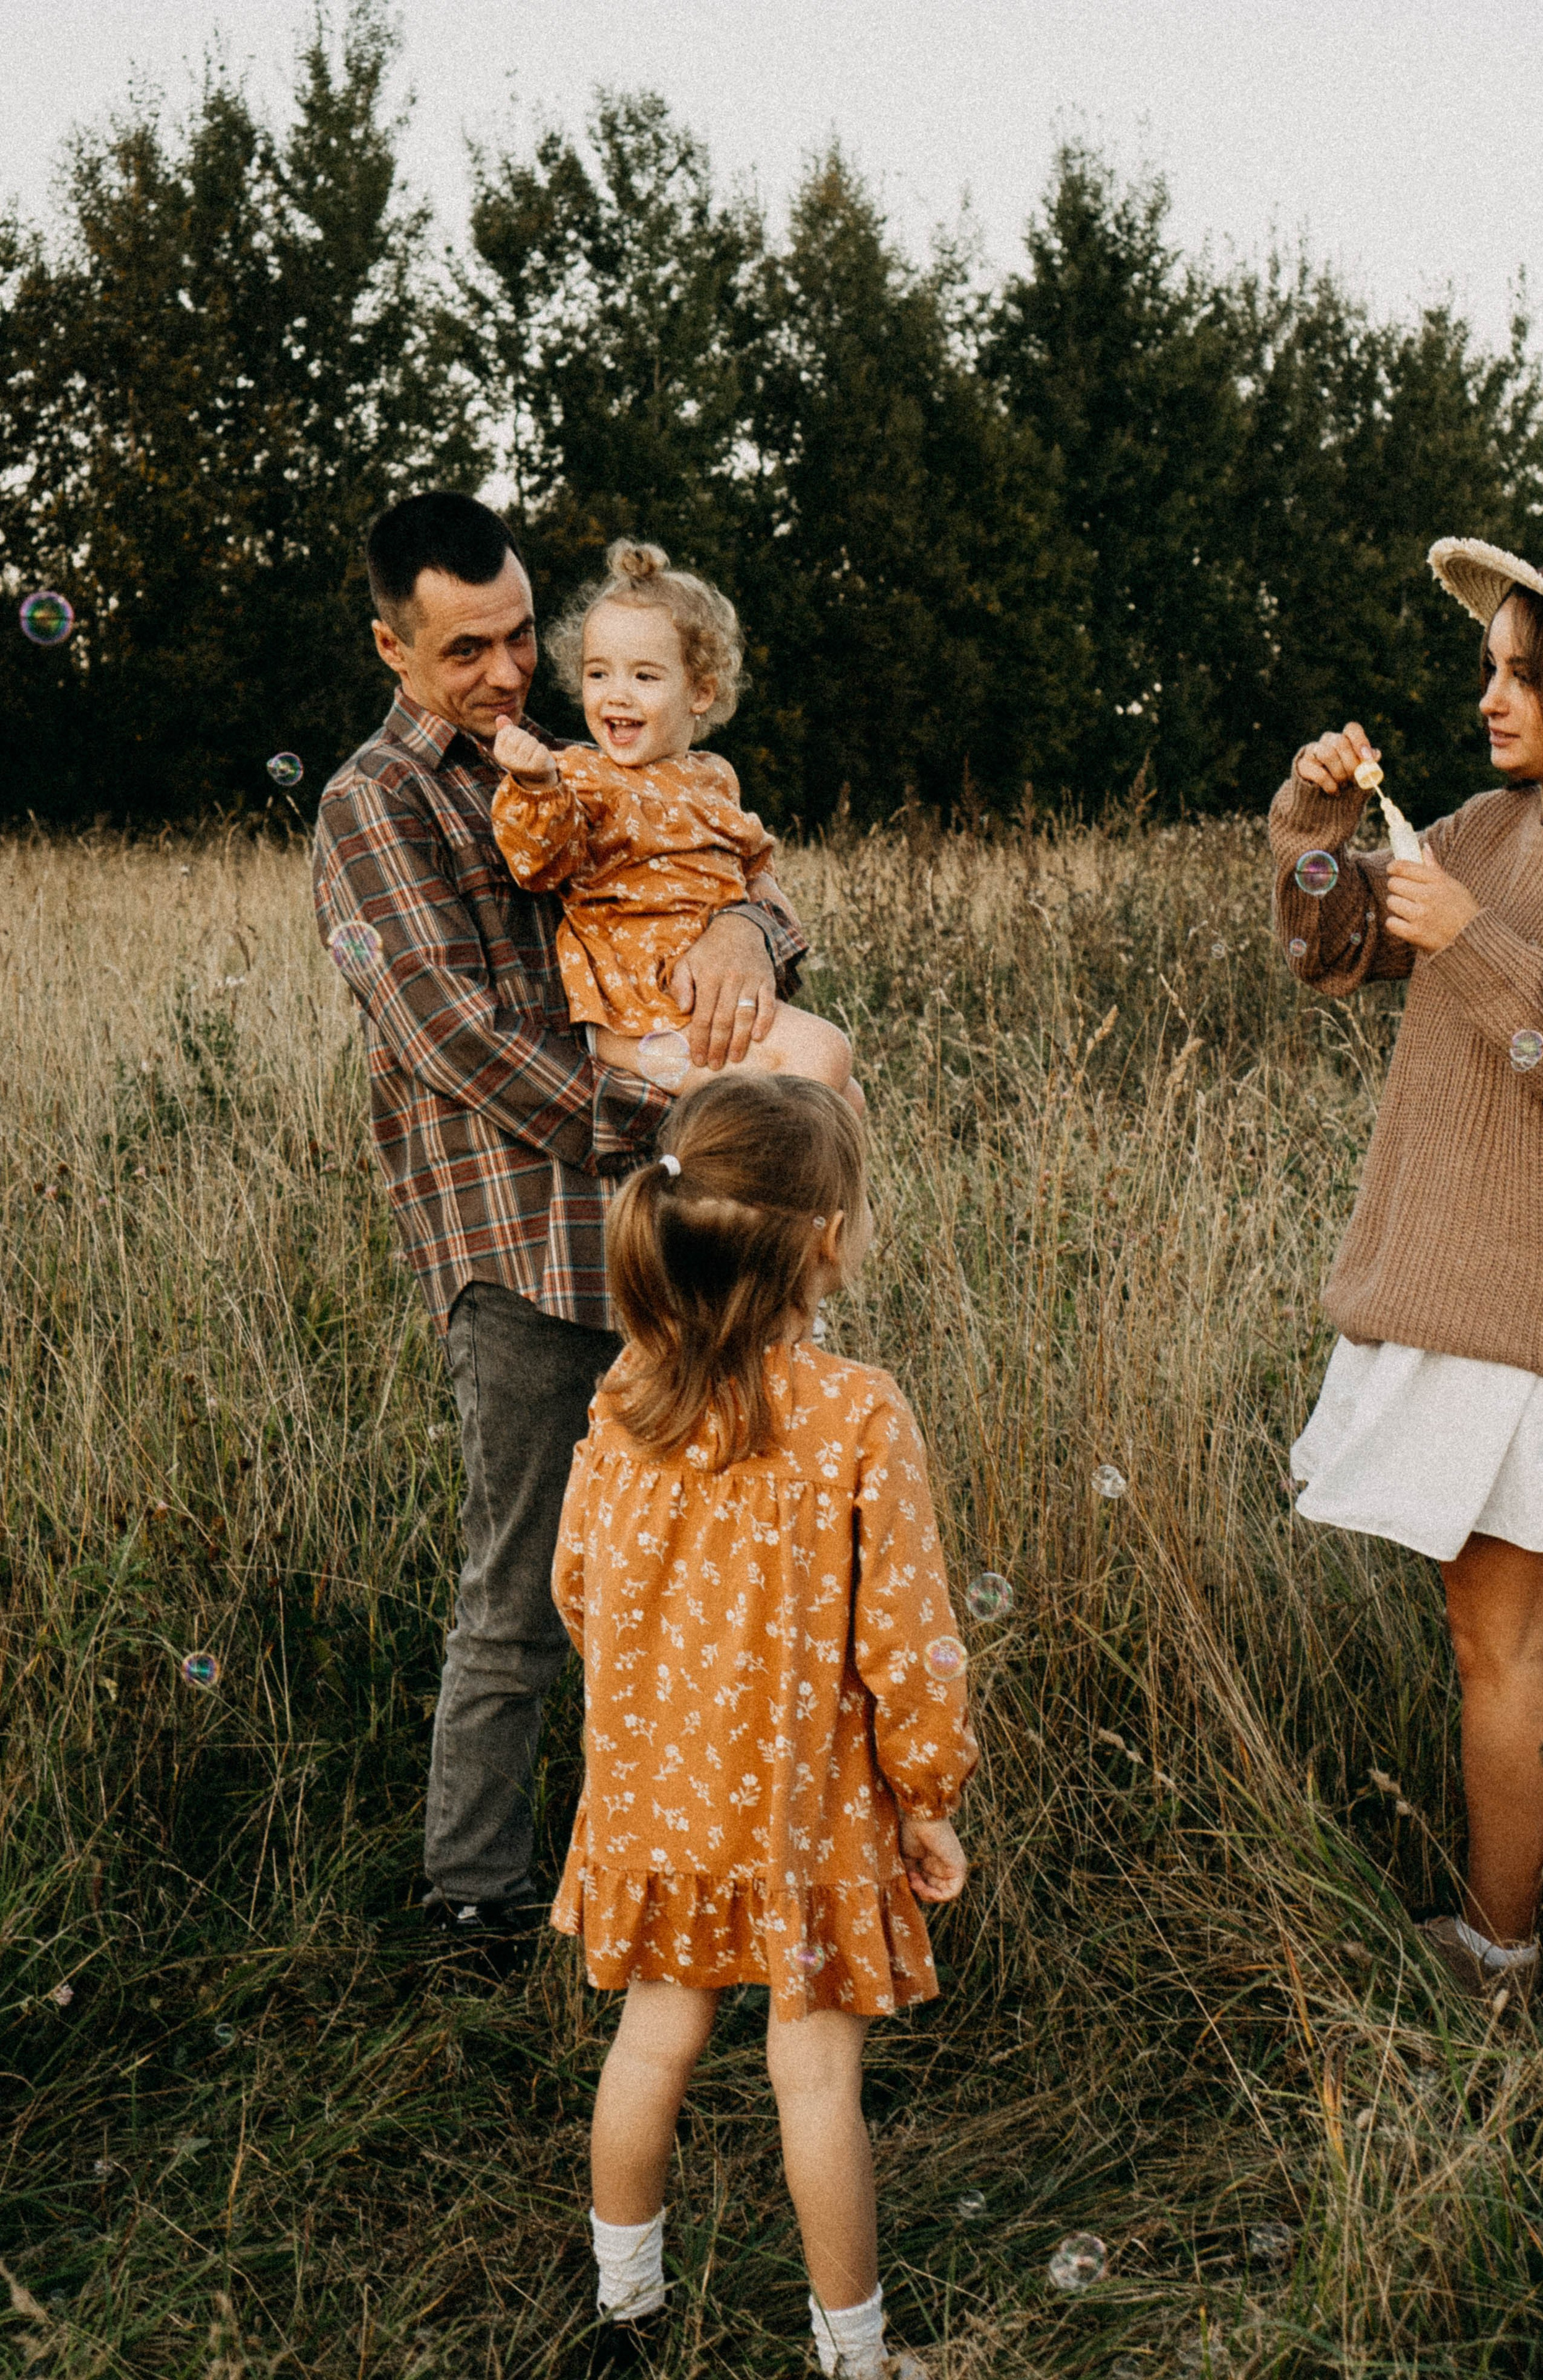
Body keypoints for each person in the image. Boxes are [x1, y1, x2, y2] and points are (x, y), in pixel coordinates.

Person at [311, 493, 807, 1947]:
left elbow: (741, 874)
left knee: (695, 1566)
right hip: (519, 1241)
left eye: (525, 633)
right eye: (468, 648)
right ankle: (474, 1895)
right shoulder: (372, 807)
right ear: (393, 646)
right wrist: (666, 1120)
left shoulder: (602, 755)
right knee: (521, 1586)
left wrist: (739, 932)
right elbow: (440, 1029)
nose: (510, 670)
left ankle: (672, 1869)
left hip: (678, 1240)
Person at [549, 1073, 977, 2378]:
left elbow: (575, 1586)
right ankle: (852, 2354)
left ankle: (624, 2309)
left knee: (652, 2039)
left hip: (650, 1798)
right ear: (827, 1239)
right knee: (813, 2081)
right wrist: (928, 1793)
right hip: (808, 1811)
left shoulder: (625, 1401)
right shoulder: (854, 1415)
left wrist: (655, 1697)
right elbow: (906, 1644)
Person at [1271, 532, 1543, 2001]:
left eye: (1523, 669)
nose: (1488, 694)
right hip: (1482, 1304)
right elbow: (1330, 948)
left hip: (1531, 1317)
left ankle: (1496, 1950)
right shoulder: (1470, 827)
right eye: (1486, 666)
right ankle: (1523, 1939)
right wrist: (1314, 822)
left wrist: (1469, 948)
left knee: (1498, 1635)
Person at [491, 539, 862, 1110]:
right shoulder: (579, 775)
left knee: (850, 1101)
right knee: (826, 1055)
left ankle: (827, 1206)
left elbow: (756, 870)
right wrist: (536, 786)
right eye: (598, 673)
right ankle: (765, 1195)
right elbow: (541, 863)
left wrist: (753, 926)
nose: (617, 694)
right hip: (638, 1014)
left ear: (700, 692)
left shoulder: (713, 779)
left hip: (703, 1005)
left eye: (644, 677)